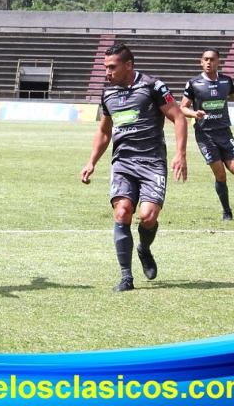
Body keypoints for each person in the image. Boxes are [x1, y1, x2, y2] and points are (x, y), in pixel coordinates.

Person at [80, 43, 188, 292]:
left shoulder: (152, 86)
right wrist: (91, 162)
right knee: (122, 213)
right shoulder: (108, 95)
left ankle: (144, 248)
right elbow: (105, 132)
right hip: (123, 163)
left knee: (148, 217)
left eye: (112, 67)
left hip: (152, 162)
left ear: (128, 65)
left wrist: (180, 154)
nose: (107, 72)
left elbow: (178, 116)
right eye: (105, 67)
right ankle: (126, 277)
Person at [180, 48, 234, 221]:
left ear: (218, 62)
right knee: (220, 175)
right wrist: (193, 114)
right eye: (205, 59)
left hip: (225, 133)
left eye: (212, 59)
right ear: (201, 62)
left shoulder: (226, 82)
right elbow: (182, 107)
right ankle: (227, 211)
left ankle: (223, 159)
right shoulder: (194, 83)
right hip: (205, 135)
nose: (209, 62)